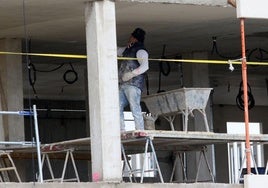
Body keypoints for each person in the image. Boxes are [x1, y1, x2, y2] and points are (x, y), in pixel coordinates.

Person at [117, 28, 149, 132]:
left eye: (131, 36)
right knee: (117, 106)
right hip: (123, 85)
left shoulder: (141, 51)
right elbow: (117, 51)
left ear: (134, 38)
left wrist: (131, 74)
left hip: (133, 85)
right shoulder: (128, 50)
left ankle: (140, 129)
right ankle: (121, 129)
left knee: (134, 106)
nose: (129, 38)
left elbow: (145, 67)